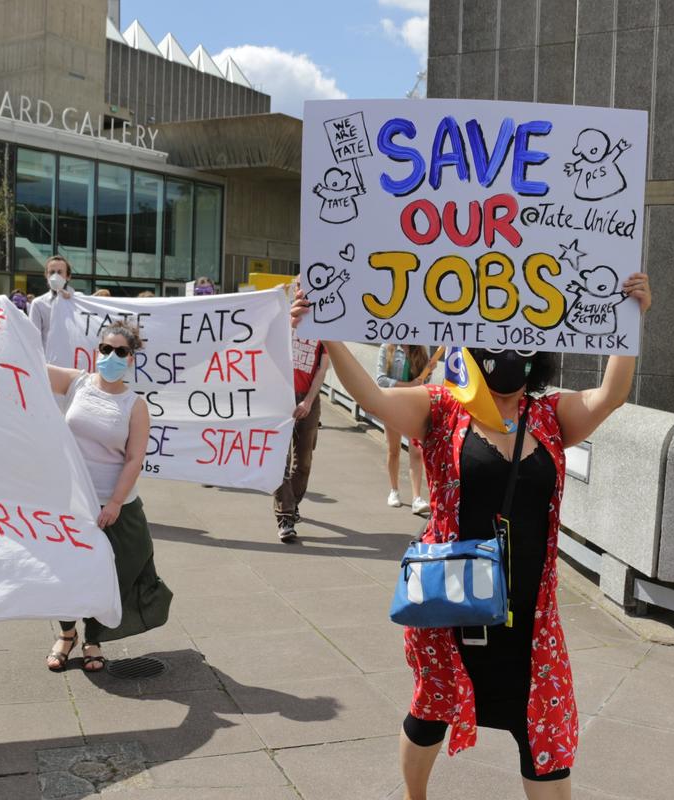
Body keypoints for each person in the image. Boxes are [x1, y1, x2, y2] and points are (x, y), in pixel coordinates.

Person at [291, 275, 651, 800]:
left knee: (544, 735)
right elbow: (370, 395)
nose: (506, 351)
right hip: (452, 602)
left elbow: (612, 395)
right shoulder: (439, 407)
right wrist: (328, 332)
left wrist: (631, 316)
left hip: (532, 617)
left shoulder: (550, 416)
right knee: (431, 710)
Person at [43, 320, 172, 672]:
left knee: (112, 572)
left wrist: (115, 502)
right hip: (71, 500)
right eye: (106, 349)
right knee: (67, 569)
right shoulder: (76, 383)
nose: (111, 356)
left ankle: (93, 638)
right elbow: (27, 368)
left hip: (114, 505)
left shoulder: (135, 404)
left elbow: (134, 459)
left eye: (121, 352)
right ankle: (66, 634)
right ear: (96, 351)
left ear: (131, 359)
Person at [273, 325, 330, 542]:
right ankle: (285, 516)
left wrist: (308, 400)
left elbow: (322, 369)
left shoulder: (324, 326)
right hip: (280, 396)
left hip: (309, 396)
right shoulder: (283, 320)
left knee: (304, 461)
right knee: (280, 460)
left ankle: (292, 503)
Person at [375, 344, 437, 514]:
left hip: (413, 405)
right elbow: (381, 380)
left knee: (416, 451)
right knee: (393, 450)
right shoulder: (387, 348)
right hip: (393, 404)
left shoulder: (420, 350)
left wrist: (429, 371)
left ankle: (417, 497)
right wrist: (409, 386)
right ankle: (394, 490)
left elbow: (423, 382)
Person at [28, 256, 79, 348]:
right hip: (49, 360)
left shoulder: (79, 301)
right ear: (46, 276)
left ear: (68, 277)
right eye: (52, 272)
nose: (55, 276)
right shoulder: (38, 304)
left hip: (75, 357)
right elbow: (33, 337)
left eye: (60, 272)